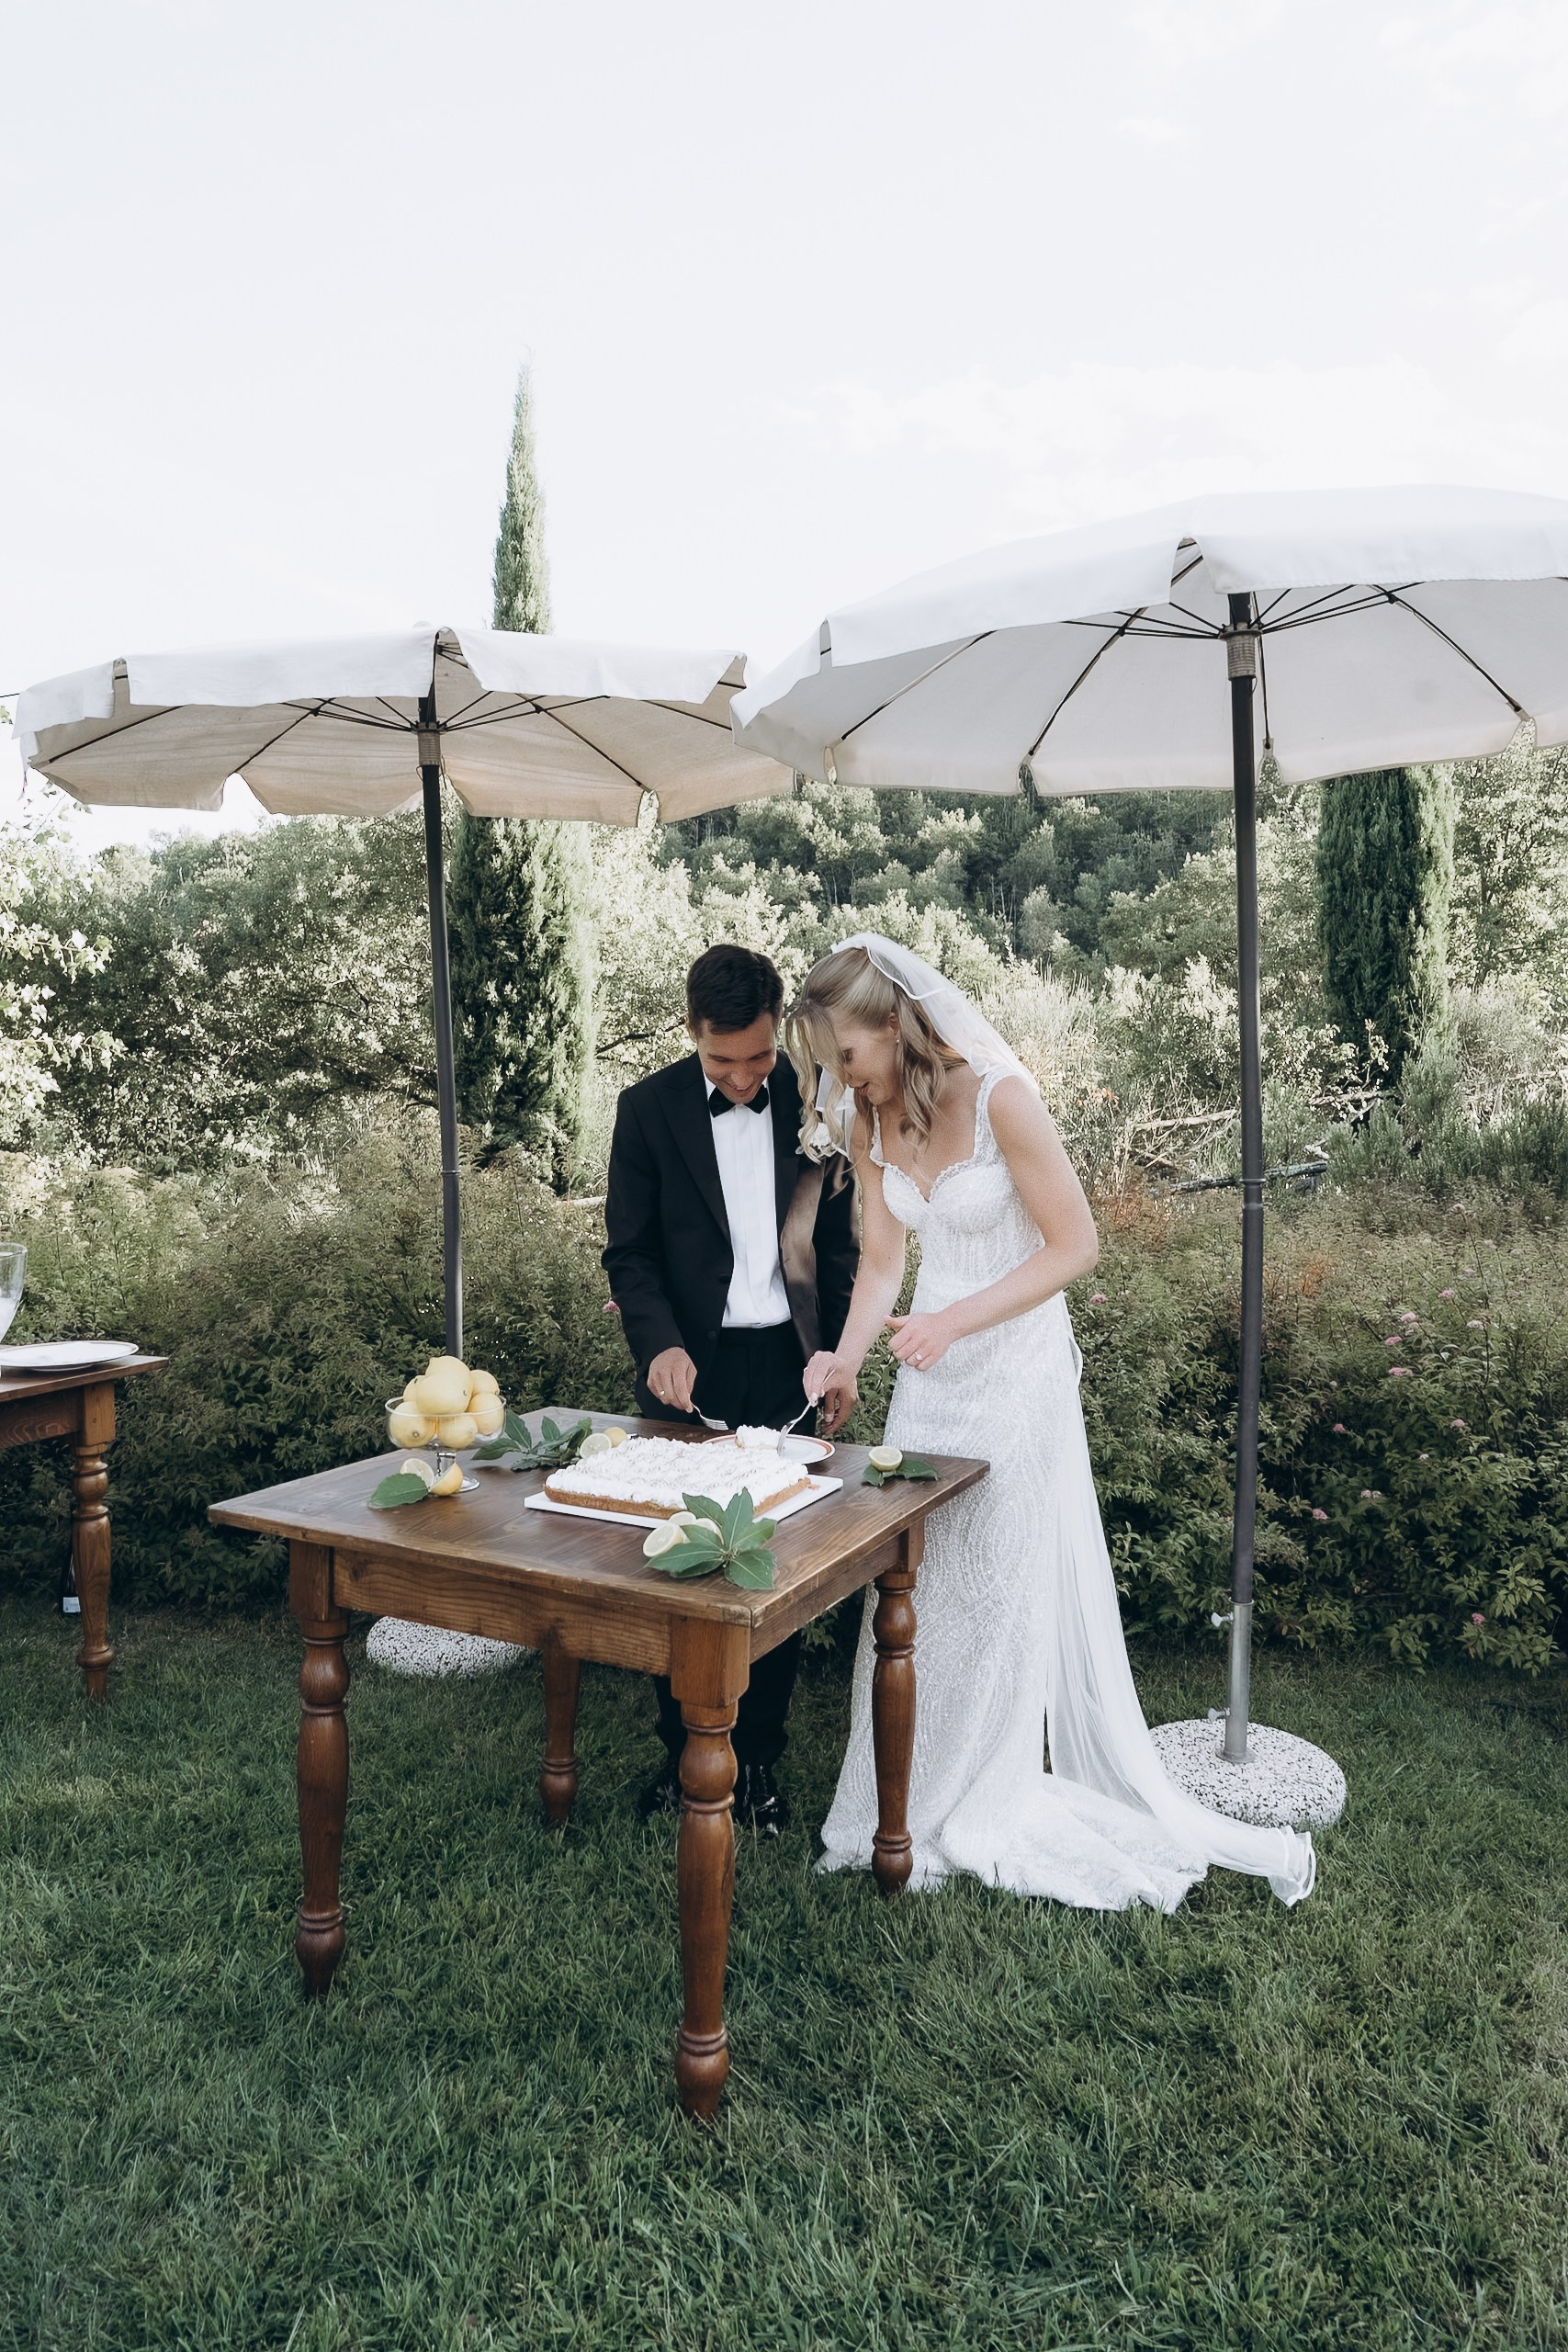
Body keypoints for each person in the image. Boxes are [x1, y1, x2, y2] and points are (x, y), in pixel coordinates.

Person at [789, 933, 1315, 1911]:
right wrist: (847, 1358)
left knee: (992, 1601)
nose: (838, 1081)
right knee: (914, 1595)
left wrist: (954, 1319)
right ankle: (892, 1806)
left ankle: (978, 1799)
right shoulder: (868, 1119)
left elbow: (1076, 1246)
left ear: (894, 1024)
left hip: (1013, 1379)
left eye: (845, 1056)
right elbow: (879, 1267)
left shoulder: (1001, 1099)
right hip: (931, 1384)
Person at [603, 943, 860, 1832]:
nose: (745, 1078)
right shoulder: (645, 1110)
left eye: (758, 1057)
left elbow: (840, 1248)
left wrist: (839, 1357)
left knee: (772, 1566)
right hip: (690, 1371)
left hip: (789, 1366)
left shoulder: (818, 1103)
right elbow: (630, 1254)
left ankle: (757, 1762)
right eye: (723, 1062)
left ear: (778, 1030)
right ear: (690, 1031)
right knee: (674, 1561)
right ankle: (681, 1754)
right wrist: (659, 1346)